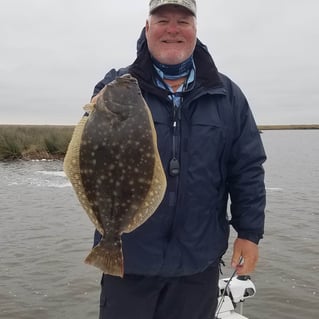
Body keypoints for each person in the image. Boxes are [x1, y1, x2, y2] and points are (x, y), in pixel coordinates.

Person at [91, 1, 266, 318]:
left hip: (197, 265)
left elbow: (247, 170)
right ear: (147, 28)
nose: (172, 29)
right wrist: (102, 96)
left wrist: (249, 234)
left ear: (195, 30)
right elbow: (92, 152)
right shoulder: (118, 88)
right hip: (129, 264)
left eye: (183, 21)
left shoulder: (227, 96)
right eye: (162, 20)